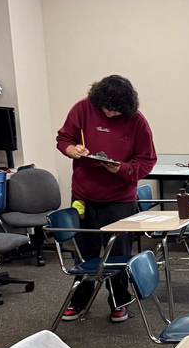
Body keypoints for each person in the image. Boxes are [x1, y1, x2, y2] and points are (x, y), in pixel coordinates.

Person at [56, 75, 156, 322]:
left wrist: (121, 169)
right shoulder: (82, 109)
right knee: (85, 252)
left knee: (118, 253)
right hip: (84, 195)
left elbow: (146, 161)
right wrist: (74, 150)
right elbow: (64, 139)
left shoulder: (137, 121)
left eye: (116, 110)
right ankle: (79, 300)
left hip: (120, 198)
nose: (110, 113)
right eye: (106, 109)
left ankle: (119, 302)